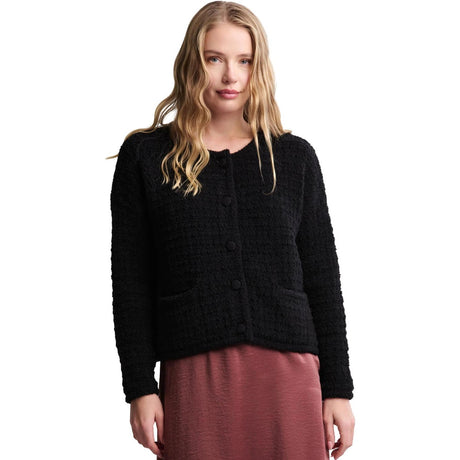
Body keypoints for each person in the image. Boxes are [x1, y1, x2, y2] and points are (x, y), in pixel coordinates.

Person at [109, 2, 355, 459]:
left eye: (244, 60)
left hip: (290, 374)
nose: (231, 76)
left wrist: (338, 388)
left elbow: (323, 278)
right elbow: (130, 282)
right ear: (191, 62)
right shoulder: (147, 157)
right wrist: (139, 386)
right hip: (196, 374)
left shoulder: (294, 158)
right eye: (214, 58)